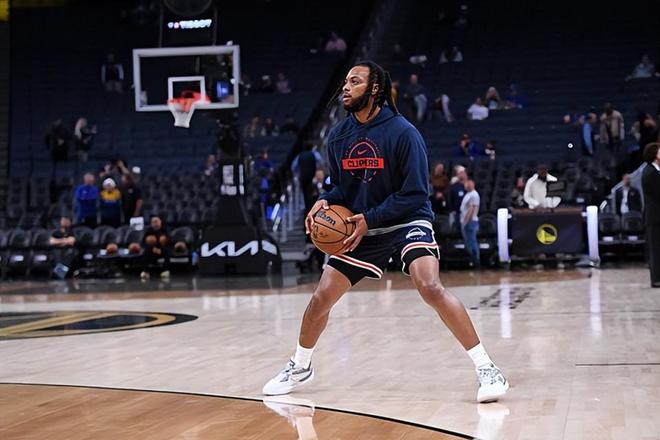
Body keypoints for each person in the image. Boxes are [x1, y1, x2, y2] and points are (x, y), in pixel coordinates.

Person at [262, 61, 508, 403]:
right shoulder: (339, 135)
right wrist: (323, 200)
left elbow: (416, 194)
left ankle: (487, 368)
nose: (345, 87)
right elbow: (340, 188)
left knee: (430, 286)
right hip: (362, 225)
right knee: (321, 297)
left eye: (355, 81)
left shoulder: (403, 133)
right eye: (345, 81)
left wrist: (370, 217)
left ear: (375, 88)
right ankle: (300, 366)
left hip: (407, 219)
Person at [641, 142, 660, 287]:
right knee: (655, 250)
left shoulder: (655, 171)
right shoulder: (650, 172)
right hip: (654, 217)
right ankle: (656, 279)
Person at [140, 216, 171, 280]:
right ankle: (145, 271)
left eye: (156, 221)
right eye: (153, 222)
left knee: (167, 251)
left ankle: (165, 270)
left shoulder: (165, 229)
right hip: (152, 249)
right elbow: (143, 242)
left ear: (160, 222)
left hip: (162, 249)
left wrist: (160, 249)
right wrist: (152, 248)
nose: (154, 223)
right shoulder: (149, 230)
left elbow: (169, 241)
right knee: (145, 251)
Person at [460, 179, 480, 268]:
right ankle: (472, 260)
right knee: (468, 242)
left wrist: (466, 221)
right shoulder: (468, 194)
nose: (467, 185)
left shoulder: (474, 195)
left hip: (470, 221)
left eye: (469, 183)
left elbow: (472, 209)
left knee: (472, 242)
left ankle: (476, 262)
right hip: (466, 221)